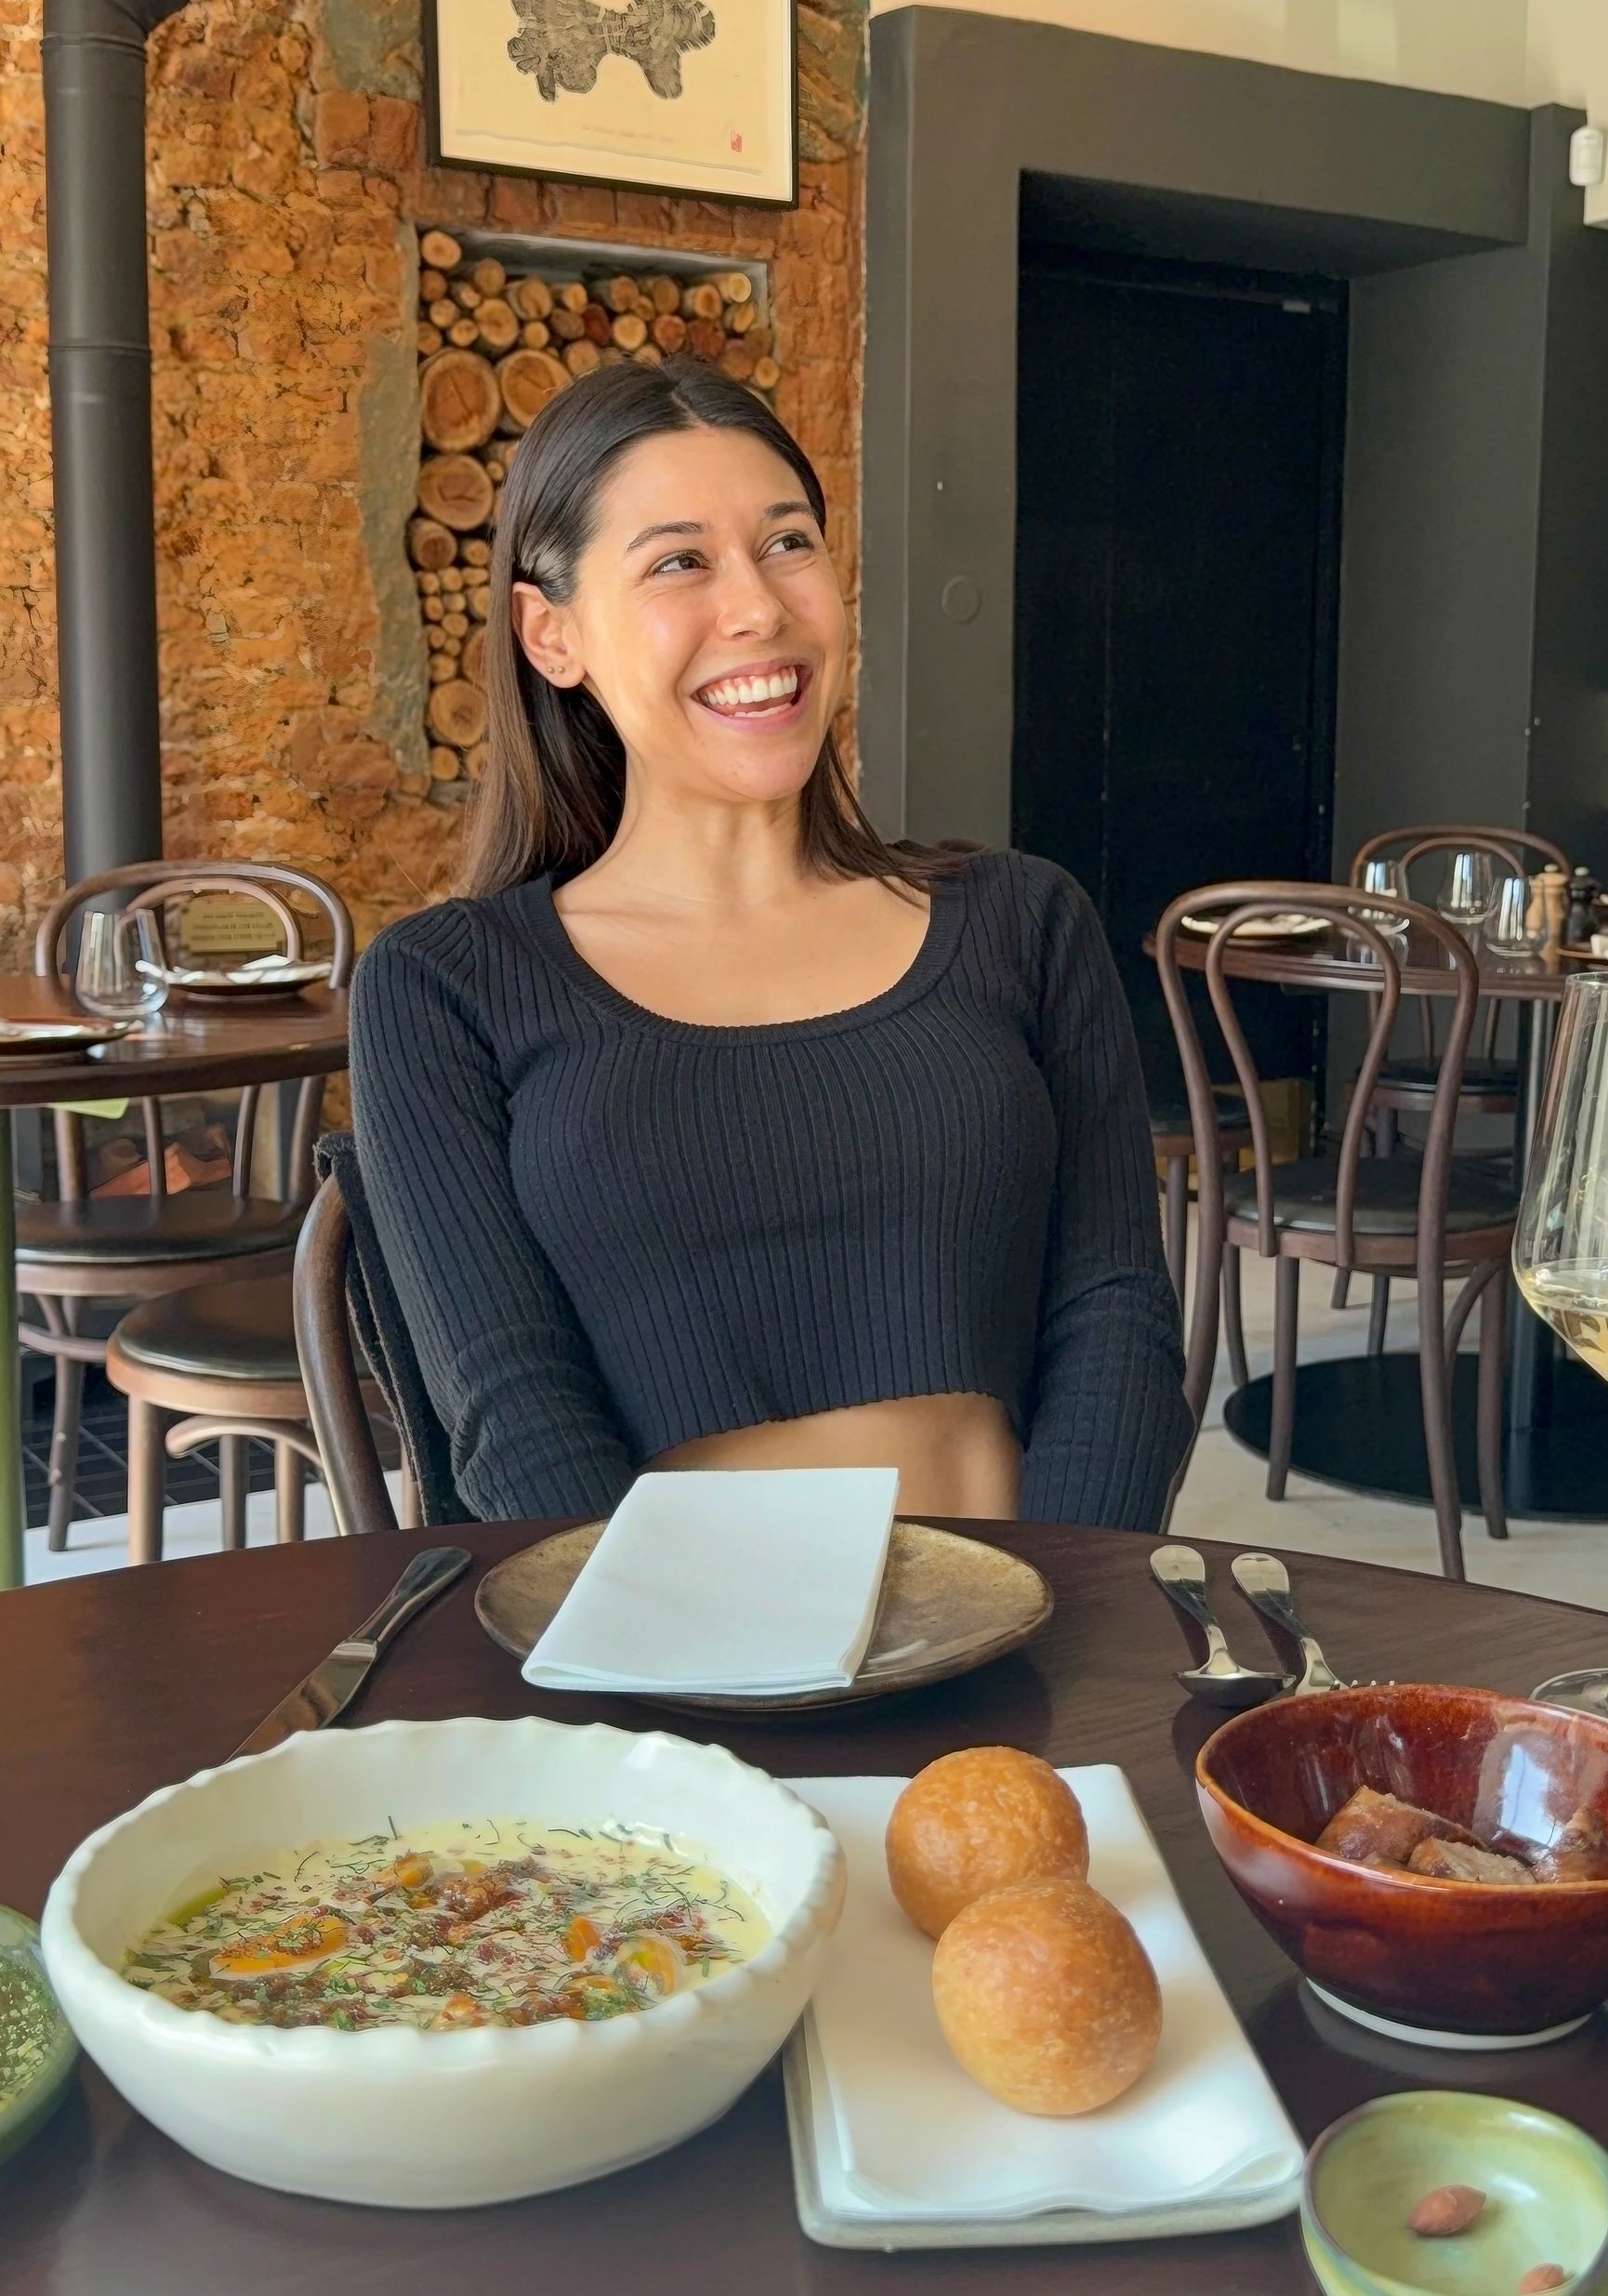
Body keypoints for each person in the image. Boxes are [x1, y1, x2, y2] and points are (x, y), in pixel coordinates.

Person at [350, 358, 1191, 1526]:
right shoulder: (449, 986)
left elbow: (1118, 1318)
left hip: (1023, 1631)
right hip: (673, 1662)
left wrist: (1066, 1608)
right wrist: (664, 1665)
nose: (758, 607)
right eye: (679, 560)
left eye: (788, 542)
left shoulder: (1023, 919)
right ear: (552, 634)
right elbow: (511, 1409)